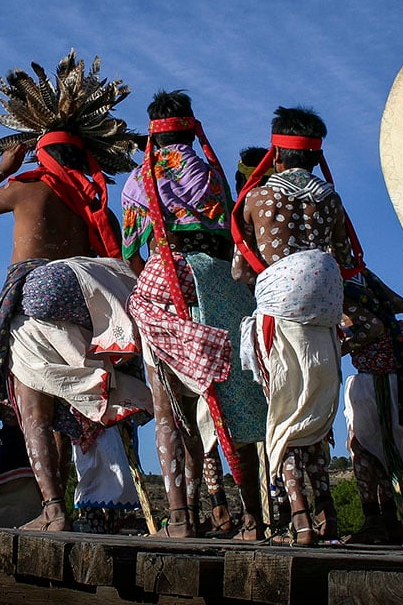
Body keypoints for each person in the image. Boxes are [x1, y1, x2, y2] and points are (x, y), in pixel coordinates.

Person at [0, 51, 152, 532]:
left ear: (41, 152)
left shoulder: (27, 187)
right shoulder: (95, 203)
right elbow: (123, 257)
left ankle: (54, 510)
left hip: (38, 291)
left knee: (35, 406)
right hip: (91, 300)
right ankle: (106, 506)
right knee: (81, 397)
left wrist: (3, 169)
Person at [121, 90, 266, 538]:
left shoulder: (139, 179)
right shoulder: (214, 176)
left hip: (165, 279)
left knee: (170, 409)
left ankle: (182, 517)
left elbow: (130, 253)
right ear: (190, 126)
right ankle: (252, 518)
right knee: (233, 398)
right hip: (222, 282)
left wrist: (159, 277)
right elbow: (234, 239)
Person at [232, 106, 358, 546]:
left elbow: (241, 271)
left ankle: (300, 520)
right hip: (324, 317)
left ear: (276, 154)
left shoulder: (257, 199)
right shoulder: (332, 201)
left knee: (283, 410)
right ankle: (326, 517)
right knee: (316, 419)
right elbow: (345, 260)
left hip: (280, 312)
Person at [338, 270, 403, 545]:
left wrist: (342, 340)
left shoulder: (340, 283)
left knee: (362, 449)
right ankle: (391, 521)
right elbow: (400, 304)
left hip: (373, 383)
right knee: (386, 452)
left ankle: (373, 521)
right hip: (401, 379)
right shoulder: (363, 275)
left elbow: (372, 327)